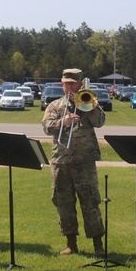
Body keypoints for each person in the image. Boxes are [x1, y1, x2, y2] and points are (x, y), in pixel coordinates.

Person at [41, 68, 107, 256]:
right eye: (65, 83)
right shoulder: (55, 106)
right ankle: (71, 243)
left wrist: (89, 106)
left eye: (72, 83)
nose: (69, 87)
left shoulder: (89, 101)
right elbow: (46, 127)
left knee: (90, 202)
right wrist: (64, 121)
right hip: (61, 161)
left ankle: (98, 245)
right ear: (61, 84)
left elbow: (100, 121)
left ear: (80, 85)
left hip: (84, 161)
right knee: (63, 202)